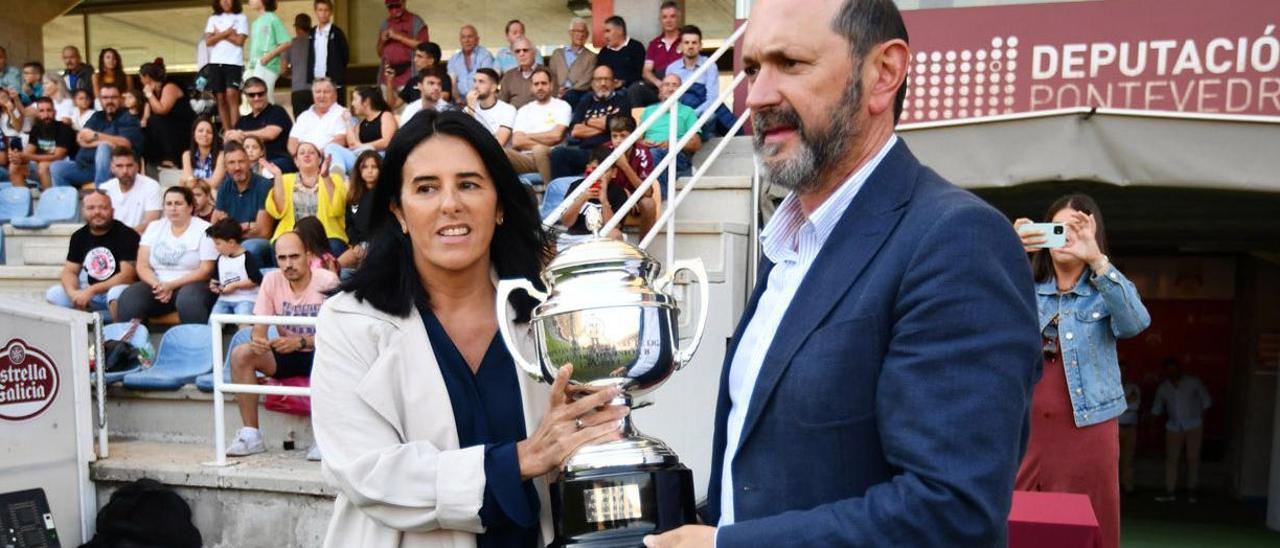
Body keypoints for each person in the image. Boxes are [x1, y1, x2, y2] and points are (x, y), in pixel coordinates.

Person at [644, 1, 1041, 547]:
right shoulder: (789, 243)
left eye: (791, 63)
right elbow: (768, 472)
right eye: (754, 67)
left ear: (883, 74)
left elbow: (951, 514)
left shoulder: (956, 241)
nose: (756, 95)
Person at [311, 108, 626, 546]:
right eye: (426, 188)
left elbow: (582, 447)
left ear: (499, 205)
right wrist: (519, 460)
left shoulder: (549, 315)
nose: (450, 203)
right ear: (398, 212)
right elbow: (367, 472)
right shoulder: (350, 321)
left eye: (469, 184)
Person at [1012, 193, 1150, 548]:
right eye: (1057, 227)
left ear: (1093, 235)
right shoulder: (1022, 287)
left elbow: (1136, 323)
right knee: (1018, 519)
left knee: (1090, 520)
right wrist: (1007, 251)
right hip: (1026, 428)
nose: (1066, 236)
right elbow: (981, 315)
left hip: (1089, 429)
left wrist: (1098, 261)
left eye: (1077, 228)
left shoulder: (1104, 291)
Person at [226, 231, 338, 460]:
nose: (288, 264)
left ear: (308, 255)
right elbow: (259, 329)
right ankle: (251, 435)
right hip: (288, 351)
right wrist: (259, 342)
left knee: (334, 357)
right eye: (282, 258)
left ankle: (327, 439)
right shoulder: (271, 280)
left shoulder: (327, 281)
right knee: (241, 354)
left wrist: (301, 342)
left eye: (294, 256)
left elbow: (339, 335)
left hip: (323, 352)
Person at [115, 186, 218, 325]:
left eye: (178, 203)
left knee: (189, 300)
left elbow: (206, 270)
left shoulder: (205, 229)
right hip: (158, 283)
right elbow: (142, 265)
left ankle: (197, 342)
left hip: (193, 284)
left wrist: (171, 285)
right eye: (168, 204)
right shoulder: (154, 227)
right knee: (130, 298)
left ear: (190, 207)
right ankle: (135, 344)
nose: (173, 208)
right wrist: (158, 285)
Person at [45, 191, 138, 321]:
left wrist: (91, 291)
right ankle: (82, 325)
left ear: (112, 210)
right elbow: (69, 271)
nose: (97, 212)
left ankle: (117, 333)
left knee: (115, 293)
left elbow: (127, 276)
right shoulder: (79, 236)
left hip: (118, 293)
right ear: (83, 211)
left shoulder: (127, 234)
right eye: (91, 208)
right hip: (92, 295)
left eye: (103, 207)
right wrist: (74, 294)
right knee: (54, 294)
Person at [263, 141, 348, 256]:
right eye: (302, 153)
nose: (306, 155)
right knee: (279, 245)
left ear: (319, 160)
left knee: (334, 246)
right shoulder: (285, 179)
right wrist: (278, 176)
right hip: (292, 234)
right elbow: (278, 211)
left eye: (311, 153)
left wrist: (325, 177)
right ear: (296, 161)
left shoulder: (334, 178)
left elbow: (337, 209)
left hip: (327, 235)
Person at [50, 84, 143, 188]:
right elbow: (80, 138)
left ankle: (101, 193)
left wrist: (95, 136)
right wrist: (105, 142)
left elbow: (125, 143)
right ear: (100, 100)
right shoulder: (97, 116)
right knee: (56, 168)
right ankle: (67, 202)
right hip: (86, 167)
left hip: (115, 169)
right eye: (105, 98)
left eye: (114, 97)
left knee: (104, 148)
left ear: (121, 99)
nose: (109, 101)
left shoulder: (128, 118)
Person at [548, 64, 629, 181]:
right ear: (592, 83)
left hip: (609, 152)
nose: (603, 83)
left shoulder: (622, 101)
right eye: (599, 79)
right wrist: (606, 124)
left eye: (607, 79)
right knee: (558, 153)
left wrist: (587, 122)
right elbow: (575, 131)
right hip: (585, 152)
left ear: (613, 82)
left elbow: (618, 126)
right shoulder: (586, 101)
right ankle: (564, 195)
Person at [1152, 357, 1212, 503]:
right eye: (1168, 370)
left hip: (1193, 425)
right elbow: (1157, 408)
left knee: (1193, 458)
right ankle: (1170, 491)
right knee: (1171, 460)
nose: (1171, 372)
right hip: (1173, 426)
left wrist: (1201, 420)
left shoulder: (1193, 382)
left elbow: (1207, 402)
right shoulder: (1164, 387)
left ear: (1180, 369)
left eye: (1174, 369)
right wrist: (1152, 425)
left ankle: (1192, 491)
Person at [638, 73, 701, 193]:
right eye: (666, 85)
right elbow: (637, 139)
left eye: (675, 85)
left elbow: (696, 144)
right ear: (660, 89)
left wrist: (671, 143)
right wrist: (644, 143)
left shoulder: (688, 112)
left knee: (654, 155)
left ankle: (662, 198)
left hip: (676, 154)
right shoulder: (649, 111)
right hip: (648, 151)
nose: (670, 88)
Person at [212, 140, 274, 264]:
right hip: (233, 241)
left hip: (259, 244)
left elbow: (264, 232)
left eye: (241, 161)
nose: (237, 167)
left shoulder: (264, 185)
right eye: (231, 163)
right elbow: (215, 226)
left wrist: (230, 228)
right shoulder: (224, 187)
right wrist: (248, 226)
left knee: (249, 247)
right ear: (225, 166)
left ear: (249, 162)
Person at [505, 68, 570, 185]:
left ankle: (551, 194)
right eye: (536, 84)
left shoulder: (562, 106)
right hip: (527, 159)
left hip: (552, 156)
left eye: (544, 83)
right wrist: (545, 138)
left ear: (551, 85)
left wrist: (528, 136)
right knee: (500, 153)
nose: (540, 87)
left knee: (539, 150)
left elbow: (556, 136)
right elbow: (517, 141)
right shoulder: (524, 110)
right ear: (531, 87)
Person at [558, 145, 628, 246]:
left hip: (603, 237)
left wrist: (604, 201)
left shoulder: (619, 193)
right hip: (575, 237)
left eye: (604, 170)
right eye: (594, 169)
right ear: (588, 169)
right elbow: (566, 223)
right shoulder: (576, 186)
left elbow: (615, 227)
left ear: (614, 173)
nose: (598, 174)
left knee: (615, 234)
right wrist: (582, 198)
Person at [225, 77, 294, 172]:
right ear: (246, 96)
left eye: (260, 94)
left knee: (264, 169)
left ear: (266, 93)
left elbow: (270, 134)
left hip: (277, 161)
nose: (256, 98)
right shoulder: (243, 121)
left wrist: (243, 134)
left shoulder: (277, 111)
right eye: (252, 95)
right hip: (249, 164)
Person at [4, 97, 75, 189]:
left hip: (63, 165)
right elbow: (28, 152)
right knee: (14, 166)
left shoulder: (64, 129)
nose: (46, 115)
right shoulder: (37, 128)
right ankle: (22, 200)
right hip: (42, 164)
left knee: (43, 166)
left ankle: (49, 199)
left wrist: (27, 156)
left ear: (55, 112)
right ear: (37, 114)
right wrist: (18, 157)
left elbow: (58, 156)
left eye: (49, 110)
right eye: (41, 111)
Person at [288, 78, 354, 175]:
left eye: (326, 92)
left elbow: (340, 140)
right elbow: (292, 142)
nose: (321, 95)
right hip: (302, 161)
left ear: (334, 95)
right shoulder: (304, 115)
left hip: (328, 160)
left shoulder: (341, 113)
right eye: (318, 92)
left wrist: (315, 155)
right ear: (313, 94)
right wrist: (299, 157)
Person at [138, 59, 196, 168]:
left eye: (141, 77)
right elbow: (147, 113)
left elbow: (162, 110)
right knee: (147, 126)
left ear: (147, 77)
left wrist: (150, 94)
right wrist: (143, 120)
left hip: (181, 127)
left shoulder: (169, 86)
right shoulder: (151, 91)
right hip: (167, 128)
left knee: (156, 120)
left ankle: (169, 159)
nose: (140, 80)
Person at [204, 0, 250, 128]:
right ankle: (227, 130)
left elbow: (240, 41)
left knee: (232, 94)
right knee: (220, 98)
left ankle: (236, 129)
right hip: (215, 63)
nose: (225, 2)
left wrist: (218, 34)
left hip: (234, 62)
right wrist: (228, 32)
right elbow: (208, 41)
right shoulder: (213, 18)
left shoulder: (241, 18)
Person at [206, 217, 263, 317]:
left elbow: (256, 280)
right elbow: (216, 278)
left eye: (218, 243)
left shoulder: (246, 257)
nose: (215, 247)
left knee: (243, 319)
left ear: (231, 242)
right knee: (214, 320)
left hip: (246, 298)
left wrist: (235, 286)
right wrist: (214, 285)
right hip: (224, 299)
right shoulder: (221, 258)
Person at [98, 147, 162, 234]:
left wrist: (124, 237)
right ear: (112, 168)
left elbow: (151, 223)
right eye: (119, 166)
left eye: (129, 165)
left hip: (141, 240)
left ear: (137, 167)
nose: (125, 171)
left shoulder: (151, 186)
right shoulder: (105, 188)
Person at [632, 1, 683, 107]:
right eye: (664, 17)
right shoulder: (654, 44)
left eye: (672, 16)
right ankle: (640, 123)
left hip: (681, 86)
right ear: (660, 20)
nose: (668, 20)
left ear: (679, 18)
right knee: (635, 89)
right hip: (658, 86)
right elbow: (646, 71)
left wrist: (671, 86)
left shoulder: (686, 40)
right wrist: (659, 84)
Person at [337, 150, 379, 270]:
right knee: (335, 267)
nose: (369, 170)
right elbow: (349, 224)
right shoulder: (354, 195)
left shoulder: (385, 195)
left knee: (362, 270)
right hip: (358, 245)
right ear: (359, 171)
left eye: (374, 167)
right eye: (365, 167)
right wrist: (355, 244)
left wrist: (367, 245)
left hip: (378, 244)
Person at [246, 0, 292, 104]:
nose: (250, 1)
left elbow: (286, 42)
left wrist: (269, 56)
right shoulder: (255, 23)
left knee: (264, 98)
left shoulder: (273, 19)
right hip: (255, 66)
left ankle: (272, 119)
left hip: (268, 65)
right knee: (256, 100)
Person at [376, 0, 429, 89]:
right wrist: (382, 41)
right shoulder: (385, 24)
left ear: (404, 3)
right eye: (390, 7)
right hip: (387, 77)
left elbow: (424, 47)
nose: (394, 10)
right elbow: (379, 53)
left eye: (397, 6)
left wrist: (399, 37)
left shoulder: (415, 21)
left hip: (409, 75)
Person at [384, 41, 451, 110]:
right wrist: (389, 81)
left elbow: (443, 99)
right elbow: (393, 105)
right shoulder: (413, 81)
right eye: (415, 56)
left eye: (420, 56)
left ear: (431, 60)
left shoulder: (443, 78)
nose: (415, 60)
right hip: (415, 118)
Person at [307, 0, 349, 106]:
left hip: (333, 80)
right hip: (316, 79)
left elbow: (345, 56)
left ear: (331, 12)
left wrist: (336, 71)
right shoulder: (312, 33)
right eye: (320, 10)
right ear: (316, 12)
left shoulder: (337, 32)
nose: (323, 13)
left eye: (326, 10)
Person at [548, 18, 597, 110]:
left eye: (583, 32)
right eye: (577, 31)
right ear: (570, 33)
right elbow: (551, 75)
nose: (581, 35)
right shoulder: (557, 53)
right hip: (556, 92)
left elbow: (586, 80)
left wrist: (567, 91)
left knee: (570, 97)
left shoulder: (592, 57)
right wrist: (557, 90)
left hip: (577, 93)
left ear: (587, 35)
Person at [463, 68, 515, 147]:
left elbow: (498, 144)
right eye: (474, 81)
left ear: (493, 87)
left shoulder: (507, 110)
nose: (475, 86)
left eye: (481, 82)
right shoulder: (468, 109)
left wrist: (471, 110)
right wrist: (470, 110)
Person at [446, 24, 495, 103]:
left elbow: (485, 81)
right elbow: (452, 83)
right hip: (458, 100)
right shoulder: (454, 58)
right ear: (460, 40)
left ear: (477, 39)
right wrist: (458, 100)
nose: (466, 40)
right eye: (463, 37)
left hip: (481, 99)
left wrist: (470, 99)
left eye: (470, 37)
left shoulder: (485, 56)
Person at [596, 16, 646, 92]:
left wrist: (622, 82)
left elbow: (641, 74)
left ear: (620, 30)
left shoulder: (636, 47)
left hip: (628, 91)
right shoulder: (604, 52)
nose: (605, 36)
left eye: (608, 31)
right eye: (604, 32)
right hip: (606, 90)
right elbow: (598, 74)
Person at [345, 86, 395, 154]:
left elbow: (387, 141)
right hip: (365, 159)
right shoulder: (359, 126)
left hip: (382, 157)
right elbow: (353, 146)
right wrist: (347, 121)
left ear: (366, 101)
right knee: (332, 147)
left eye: (355, 99)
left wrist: (364, 146)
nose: (352, 103)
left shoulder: (385, 116)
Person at [496, 38, 540, 109]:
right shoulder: (508, 76)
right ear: (514, 55)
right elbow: (501, 103)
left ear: (534, 52)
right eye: (517, 51)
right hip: (513, 117)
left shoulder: (547, 74)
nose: (521, 54)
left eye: (525, 50)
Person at [182, 117, 226, 185]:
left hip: (213, 193)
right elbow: (188, 178)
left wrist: (193, 180)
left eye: (209, 132)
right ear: (194, 135)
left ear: (214, 136)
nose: (204, 134)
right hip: (192, 192)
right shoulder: (187, 155)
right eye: (200, 131)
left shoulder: (221, 156)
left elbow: (214, 183)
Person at [1118, 362, 1140, 495]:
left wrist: (1121, 404)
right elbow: (1113, 408)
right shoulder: (1111, 387)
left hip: (1130, 427)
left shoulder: (1133, 387)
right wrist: (1126, 401)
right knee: (1113, 460)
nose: (1123, 373)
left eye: (1125, 371)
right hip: (1116, 427)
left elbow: (1135, 405)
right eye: (1121, 370)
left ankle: (1128, 487)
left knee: (1128, 458)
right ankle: (1115, 489)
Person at [285, 13, 314, 114]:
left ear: (296, 27)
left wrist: (293, 74)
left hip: (298, 90)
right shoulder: (317, 43)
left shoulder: (289, 44)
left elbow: (283, 69)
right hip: (317, 90)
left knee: (301, 124)